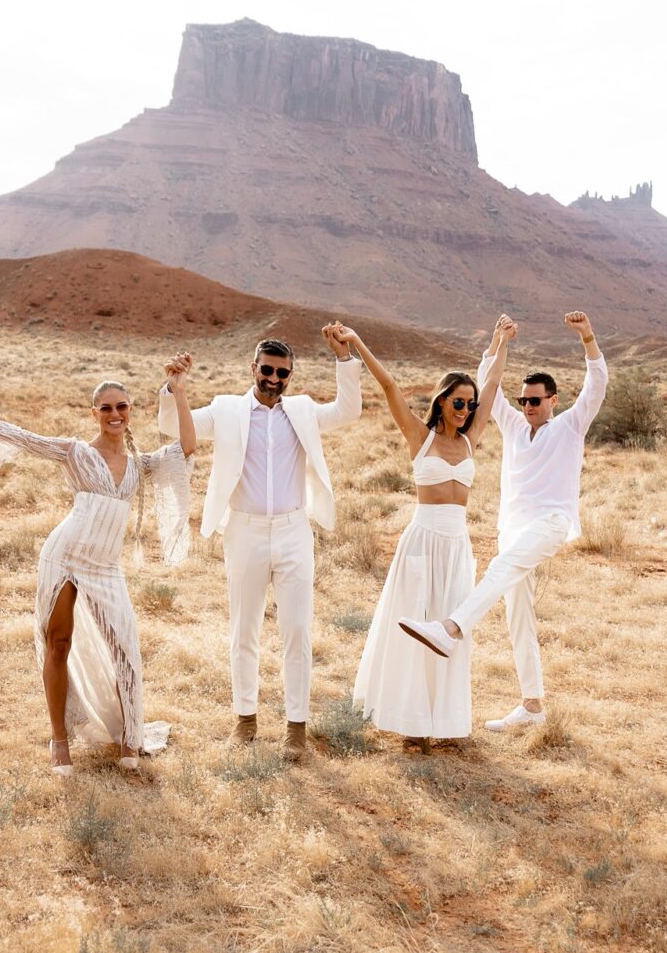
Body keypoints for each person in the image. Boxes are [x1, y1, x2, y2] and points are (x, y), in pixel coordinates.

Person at [0, 359, 197, 775]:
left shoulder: (141, 463)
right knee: (59, 644)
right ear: (94, 414)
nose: (115, 415)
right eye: (105, 408)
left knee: (126, 649)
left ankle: (129, 738)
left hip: (105, 567)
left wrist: (178, 389)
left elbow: (187, 448)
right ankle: (59, 740)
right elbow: (19, 437)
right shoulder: (75, 452)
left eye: (121, 406)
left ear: (130, 411)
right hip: (64, 557)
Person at [159, 325, 361, 761]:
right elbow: (171, 426)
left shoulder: (303, 411)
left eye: (282, 373)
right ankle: (245, 720)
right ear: (253, 368)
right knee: (243, 630)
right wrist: (174, 389)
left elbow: (348, 410)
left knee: (297, 631)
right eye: (266, 370)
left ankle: (296, 728)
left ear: (290, 375)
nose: (273, 378)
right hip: (244, 531)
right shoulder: (227, 410)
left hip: (293, 532)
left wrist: (344, 358)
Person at [399, 312, 607, 732]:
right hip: (513, 528)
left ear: (553, 400)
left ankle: (451, 628)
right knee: (519, 615)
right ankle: (532, 706)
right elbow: (486, 381)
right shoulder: (514, 427)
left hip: (551, 522)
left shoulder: (570, 426)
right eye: (525, 400)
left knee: (499, 568)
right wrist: (497, 341)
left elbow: (597, 383)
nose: (528, 407)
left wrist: (586, 337)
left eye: (536, 400)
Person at [339, 323, 506, 743]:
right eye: (458, 401)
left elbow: (494, 382)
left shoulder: (471, 441)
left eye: (470, 403)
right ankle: (412, 726)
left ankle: (441, 722)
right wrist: (357, 341)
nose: (466, 409)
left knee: (449, 629)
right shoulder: (420, 436)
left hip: (455, 545)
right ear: (443, 400)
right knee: (417, 623)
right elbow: (390, 385)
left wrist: (503, 342)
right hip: (422, 539)